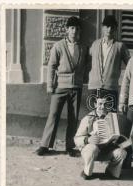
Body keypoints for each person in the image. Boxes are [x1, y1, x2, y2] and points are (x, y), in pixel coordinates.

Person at [36, 16, 88, 157]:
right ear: (66, 30)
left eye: (77, 29)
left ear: (79, 31)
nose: (74, 31)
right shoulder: (58, 46)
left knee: (73, 118)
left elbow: (85, 67)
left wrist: (81, 81)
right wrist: (50, 85)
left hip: (76, 88)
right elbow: (51, 66)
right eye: (71, 28)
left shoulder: (83, 48)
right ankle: (45, 145)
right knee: (53, 115)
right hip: (60, 87)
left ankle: (70, 147)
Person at [74, 96, 128, 180]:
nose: (103, 107)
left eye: (105, 104)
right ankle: (87, 173)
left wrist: (122, 140)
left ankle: (111, 172)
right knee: (92, 149)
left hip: (107, 151)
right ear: (95, 104)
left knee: (122, 152)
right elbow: (76, 138)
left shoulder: (114, 119)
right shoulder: (88, 118)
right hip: (91, 151)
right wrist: (87, 139)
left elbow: (122, 140)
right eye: (100, 104)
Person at [88, 15, 130, 112]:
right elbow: (86, 61)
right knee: (93, 118)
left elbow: (130, 65)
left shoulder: (120, 46)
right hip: (94, 87)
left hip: (110, 88)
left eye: (112, 27)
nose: (109, 29)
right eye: (107, 26)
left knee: (111, 118)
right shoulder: (95, 44)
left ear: (115, 29)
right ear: (102, 27)